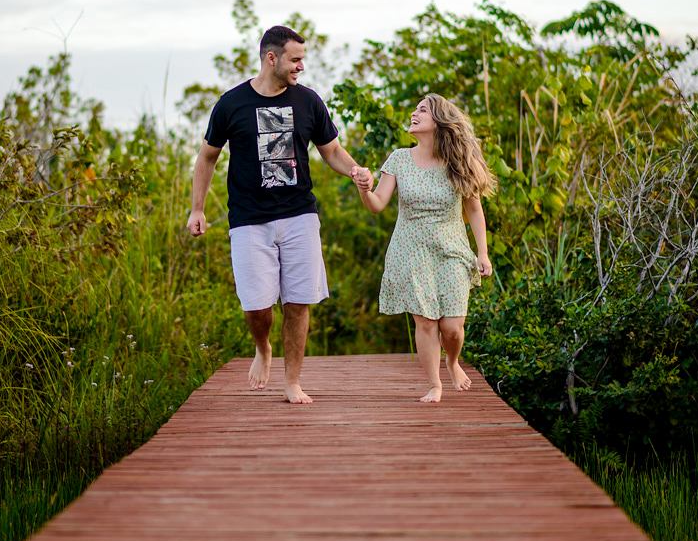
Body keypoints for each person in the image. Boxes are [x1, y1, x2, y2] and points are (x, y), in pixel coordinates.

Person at [187, 25, 372, 404]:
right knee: (256, 305)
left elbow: (332, 151)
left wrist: (356, 170)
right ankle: (262, 347)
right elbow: (208, 156)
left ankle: (292, 382)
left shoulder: (308, 101)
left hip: (299, 213)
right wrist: (197, 208)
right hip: (248, 217)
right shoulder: (231, 104)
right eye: (295, 59)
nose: (301, 66)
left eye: (302, 59)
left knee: (297, 301)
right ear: (271, 58)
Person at [353, 94, 496, 402]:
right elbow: (377, 205)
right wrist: (365, 189)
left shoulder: (457, 162)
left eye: (422, 110)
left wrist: (482, 252)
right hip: (411, 250)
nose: (414, 113)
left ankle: (452, 360)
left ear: (439, 121)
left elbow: (473, 208)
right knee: (426, 321)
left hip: (452, 250)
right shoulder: (399, 159)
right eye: (414, 107)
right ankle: (435, 385)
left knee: (452, 328)